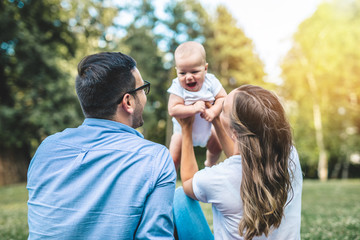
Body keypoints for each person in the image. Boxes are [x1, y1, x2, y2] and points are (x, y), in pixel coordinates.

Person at [27, 52, 177, 239]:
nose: (145, 97)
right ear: (128, 102)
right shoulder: (155, 158)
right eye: (143, 89)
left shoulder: (47, 149)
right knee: (182, 204)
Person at [173, 85, 303, 240]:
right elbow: (245, 155)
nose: (218, 106)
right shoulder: (289, 154)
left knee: (179, 197)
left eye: (223, 109)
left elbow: (188, 182)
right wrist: (216, 120)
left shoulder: (220, 177)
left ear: (235, 132)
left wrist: (186, 129)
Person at [167, 41, 227, 170]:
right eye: (182, 73)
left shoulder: (211, 81)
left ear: (205, 69)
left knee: (217, 147)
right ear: (177, 71)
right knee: (173, 160)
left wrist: (214, 111)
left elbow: (223, 98)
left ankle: (210, 165)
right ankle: (167, 180)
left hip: (206, 129)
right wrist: (193, 108)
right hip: (181, 132)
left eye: (194, 72)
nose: (188, 77)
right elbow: (172, 109)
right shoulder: (177, 86)